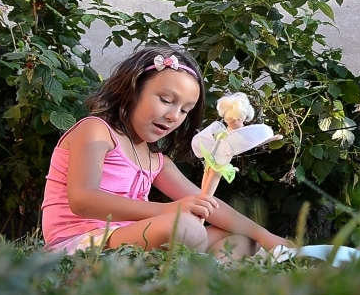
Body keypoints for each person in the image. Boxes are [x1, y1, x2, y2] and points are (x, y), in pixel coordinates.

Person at [41, 46, 294, 261]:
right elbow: (83, 200)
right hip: (81, 243)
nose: (174, 116)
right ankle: (192, 268)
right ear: (132, 89)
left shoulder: (155, 160)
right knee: (185, 227)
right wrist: (169, 210)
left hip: (132, 239)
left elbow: (208, 204)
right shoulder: (96, 130)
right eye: (165, 100)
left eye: (185, 110)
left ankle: (206, 274)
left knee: (243, 240)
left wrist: (267, 237)